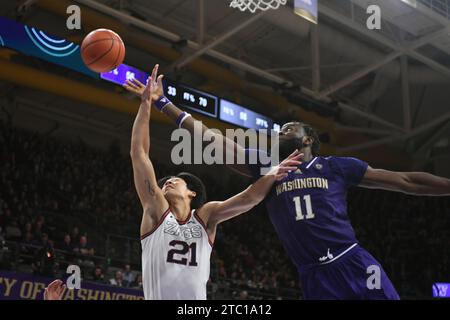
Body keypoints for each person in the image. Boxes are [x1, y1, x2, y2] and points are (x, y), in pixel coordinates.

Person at [125, 66, 450, 300]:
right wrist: (164, 104)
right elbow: (211, 140)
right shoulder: (266, 167)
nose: (282, 129)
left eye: (290, 126)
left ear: (309, 138)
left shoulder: (335, 166)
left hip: (351, 260)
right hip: (313, 275)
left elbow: (406, 180)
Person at [130, 65, 302, 300]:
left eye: (175, 180)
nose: (167, 182)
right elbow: (139, 153)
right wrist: (145, 104)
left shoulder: (206, 216)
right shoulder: (155, 212)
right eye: (164, 182)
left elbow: (249, 198)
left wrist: (274, 173)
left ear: (192, 193)